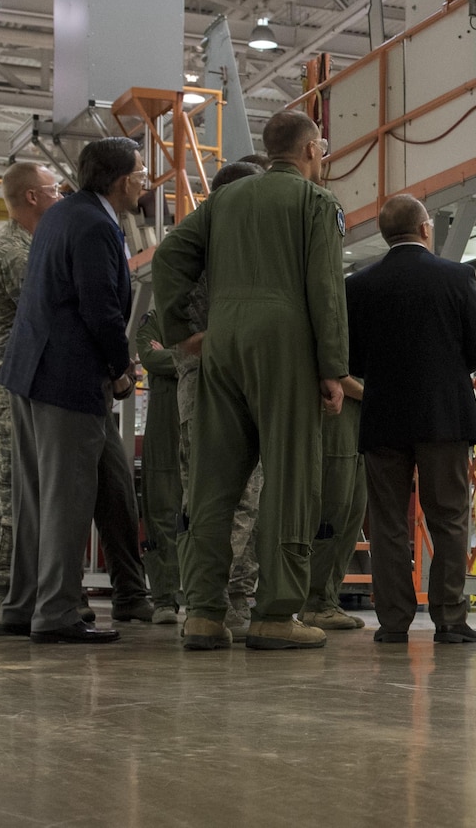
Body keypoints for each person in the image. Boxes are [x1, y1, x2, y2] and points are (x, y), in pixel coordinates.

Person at [155, 111, 348, 651]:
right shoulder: (317, 204)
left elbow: (170, 254)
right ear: (311, 151)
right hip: (284, 341)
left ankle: (203, 613)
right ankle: (275, 614)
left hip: (222, 338)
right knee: (291, 478)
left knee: (214, 482)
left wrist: (180, 330)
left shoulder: (226, 200)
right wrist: (332, 369)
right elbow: (326, 292)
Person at [0, 137, 151, 644]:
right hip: (67, 376)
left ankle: (22, 604)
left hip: (30, 372)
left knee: (39, 494)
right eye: (142, 173)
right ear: (123, 180)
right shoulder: (96, 224)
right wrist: (121, 367)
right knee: (66, 497)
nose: (147, 181)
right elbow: (100, 308)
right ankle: (56, 611)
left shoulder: (62, 215)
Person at [348, 194, 476, 644]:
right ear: (425, 229)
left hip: (383, 418)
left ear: (384, 233)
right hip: (443, 417)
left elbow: (352, 356)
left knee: (388, 521)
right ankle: (450, 619)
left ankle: (393, 622)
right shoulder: (455, 277)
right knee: (448, 517)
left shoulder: (360, 285)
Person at [171, 157, 268, 638]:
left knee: (233, 502)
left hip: (215, 387)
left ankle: (227, 603)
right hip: (214, 388)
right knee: (226, 503)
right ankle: (210, 605)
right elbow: (182, 336)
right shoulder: (208, 252)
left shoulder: (205, 247)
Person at [0, 161, 60, 627]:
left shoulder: (29, 244)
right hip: (13, 384)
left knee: (28, 486)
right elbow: (49, 303)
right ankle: (5, 594)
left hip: (24, 380)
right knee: (13, 487)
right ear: (31, 197)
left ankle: (23, 592)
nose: (59, 198)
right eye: (53, 190)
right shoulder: (14, 251)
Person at [300, 375, 367, 631]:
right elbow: (330, 366)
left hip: (360, 410)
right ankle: (316, 601)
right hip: (337, 407)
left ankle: (329, 597)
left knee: (354, 509)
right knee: (332, 508)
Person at [133, 310, 184, 626]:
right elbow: (150, 358)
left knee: (209, 514)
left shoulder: (213, 312)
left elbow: (228, 357)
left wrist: (173, 356)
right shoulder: (154, 318)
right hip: (165, 428)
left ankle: (204, 598)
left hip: (207, 422)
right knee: (162, 512)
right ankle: (165, 598)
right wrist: (198, 356)